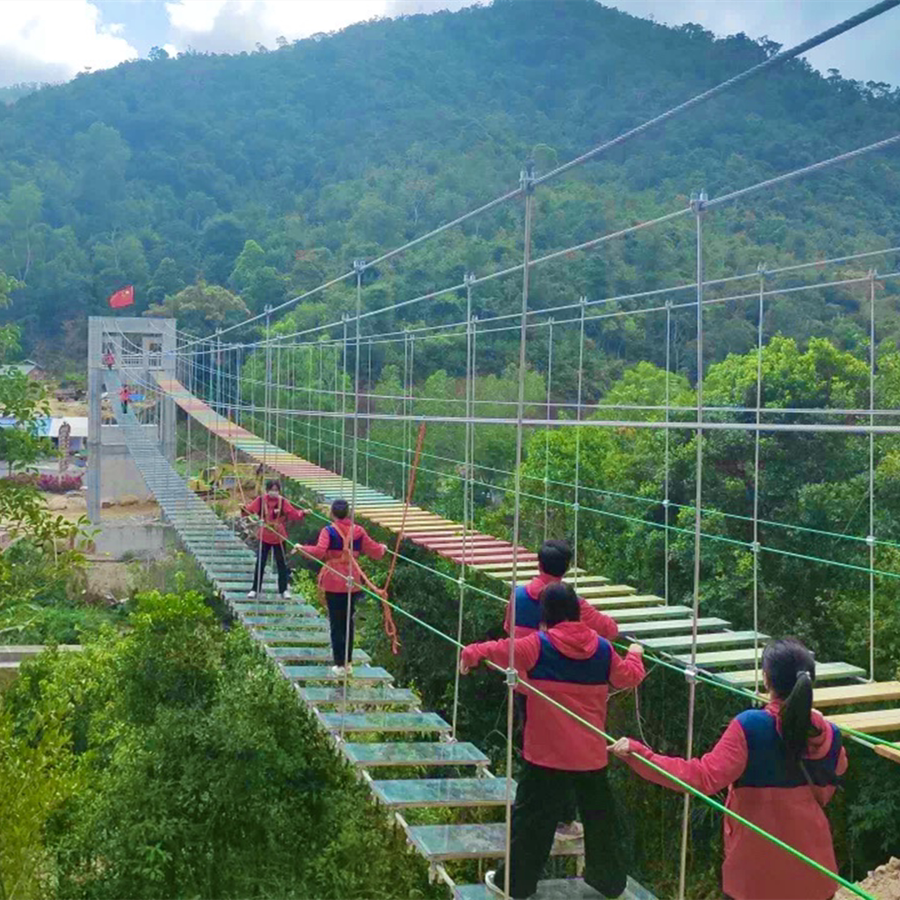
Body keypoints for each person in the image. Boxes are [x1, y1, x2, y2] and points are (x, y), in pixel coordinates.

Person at [611, 638, 847, 900]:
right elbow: (826, 791)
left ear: (767, 679)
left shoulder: (750, 727)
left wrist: (640, 755)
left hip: (756, 877)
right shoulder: (829, 735)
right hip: (814, 873)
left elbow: (702, 778)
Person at [459, 582, 646, 900]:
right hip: (589, 756)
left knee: (532, 823)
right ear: (578, 613)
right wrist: (636, 654)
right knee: (601, 821)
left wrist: (470, 653)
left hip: (546, 756)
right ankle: (609, 881)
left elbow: (499, 648)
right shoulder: (603, 649)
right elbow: (628, 676)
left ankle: (514, 885)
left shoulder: (538, 645)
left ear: (545, 617)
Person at [505, 538, 619, 842]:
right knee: (567, 747)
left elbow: (508, 633)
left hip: (525, 685)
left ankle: (532, 814)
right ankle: (564, 819)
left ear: (538, 563)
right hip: (562, 688)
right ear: (567, 568)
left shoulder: (518, 595)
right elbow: (609, 629)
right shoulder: (572, 604)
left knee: (535, 749)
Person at [299, 498, 386, 676]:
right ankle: (348, 662)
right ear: (348, 513)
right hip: (352, 581)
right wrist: (383, 548)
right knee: (348, 622)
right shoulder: (358, 531)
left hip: (333, 580)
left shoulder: (328, 531)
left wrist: (302, 548)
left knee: (336, 623)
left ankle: (339, 664)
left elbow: (319, 551)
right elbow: (375, 552)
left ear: (332, 513)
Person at [241, 480, 307, 600]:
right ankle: (255, 589)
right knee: (260, 563)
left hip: (279, 536)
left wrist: (303, 513)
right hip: (265, 535)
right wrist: (243, 509)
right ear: (267, 490)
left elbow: (293, 513)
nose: (274, 492)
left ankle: (283, 590)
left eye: (276, 490)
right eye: (272, 490)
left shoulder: (283, 502)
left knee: (281, 563)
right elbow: (249, 511)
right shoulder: (261, 500)